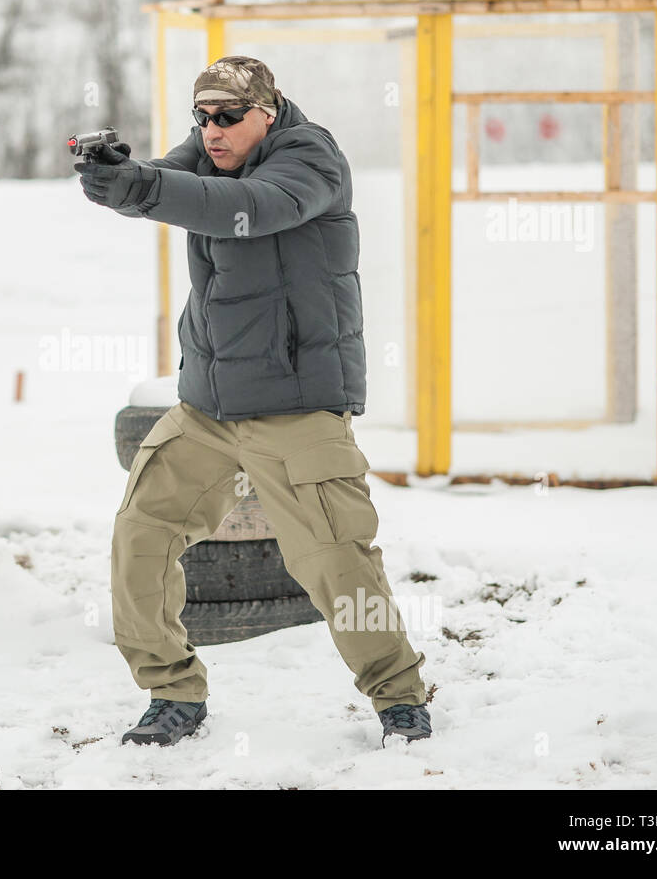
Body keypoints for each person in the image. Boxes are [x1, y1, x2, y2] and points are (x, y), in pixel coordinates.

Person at [75, 55, 432, 749]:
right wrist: (115, 175)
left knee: (338, 562)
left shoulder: (309, 161)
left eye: (229, 118)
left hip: (298, 406)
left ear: (267, 113)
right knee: (139, 539)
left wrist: (141, 186)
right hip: (208, 408)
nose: (212, 131)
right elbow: (167, 181)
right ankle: (172, 692)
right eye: (202, 117)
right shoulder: (212, 153)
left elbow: (244, 210)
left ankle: (399, 700)